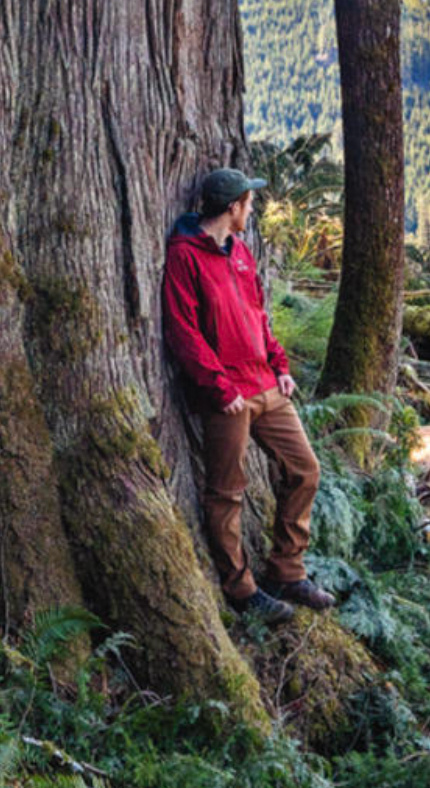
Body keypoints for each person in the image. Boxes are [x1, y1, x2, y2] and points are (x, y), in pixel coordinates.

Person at [161, 167, 336, 623]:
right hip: (227, 396)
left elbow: (258, 316)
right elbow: (184, 333)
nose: (252, 208)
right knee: (227, 492)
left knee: (305, 469)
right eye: (249, 202)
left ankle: (286, 570)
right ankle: (242, 591)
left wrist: (279, 365)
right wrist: (219, 387)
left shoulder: (240, 252)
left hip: (265, 385)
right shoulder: (186, 257)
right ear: (232, 207)